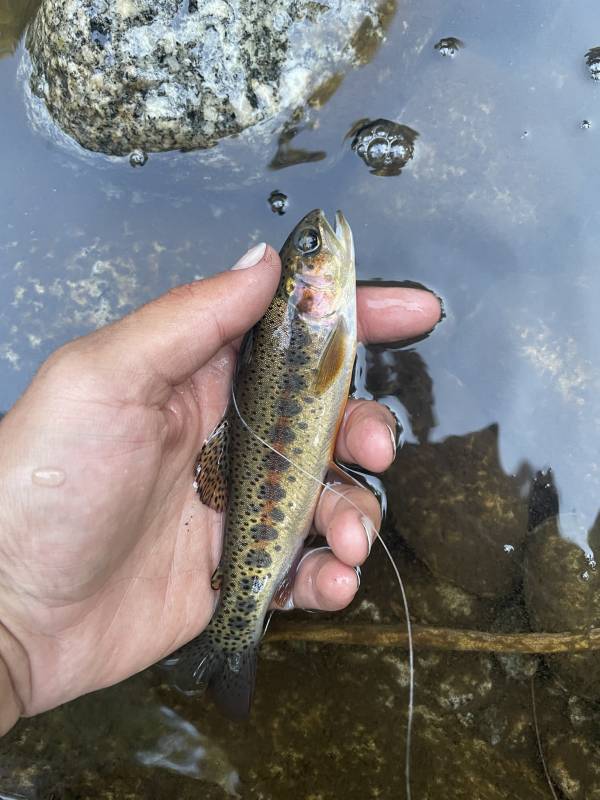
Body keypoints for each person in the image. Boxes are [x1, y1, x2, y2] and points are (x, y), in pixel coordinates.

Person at [0, 242, 441, 735]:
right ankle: (235, 637)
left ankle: (232, 636)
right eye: (313, 248)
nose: (322, 240)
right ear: (300, 294)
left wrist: (13, 628)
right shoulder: (325, 329)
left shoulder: (321, 324)